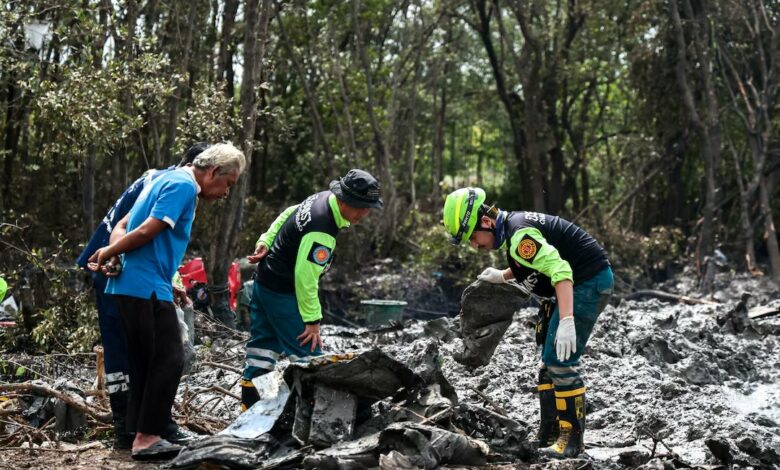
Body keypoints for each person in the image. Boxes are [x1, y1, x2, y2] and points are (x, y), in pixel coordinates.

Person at [88, 143, 246, 460]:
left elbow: (123, 225)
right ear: (214, 171)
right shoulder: (185, 186)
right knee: (169, 358)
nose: (226, 193)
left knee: (146, 362)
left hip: (134, 284)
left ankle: (138, 433)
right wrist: (109, 253)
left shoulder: (162, 178)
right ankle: (148, 438)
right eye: (227, 184)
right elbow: (147, 230)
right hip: (145, 286)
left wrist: (118, 256)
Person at [442, 187, 613, 459]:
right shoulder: (513, 230)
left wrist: (567, 319)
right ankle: (549, 434)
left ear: (486, 221)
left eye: (473, 237)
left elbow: (560, 271)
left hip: (586, 283)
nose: (475, 245)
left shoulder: (520, 234)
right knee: (548, 364)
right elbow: (533, 263)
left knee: (560, 361)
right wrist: (503, 276)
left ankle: (572, 443)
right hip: (568, 287)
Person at [75, 143, 208, 449]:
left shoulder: (166, 180)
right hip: (113, 267)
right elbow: (127, 228)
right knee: (136, 352)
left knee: (150, 353)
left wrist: (169, 279)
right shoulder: (173, 183)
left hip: (127, 265)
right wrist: (113, 256)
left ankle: (151, 427)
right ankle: (128, 427)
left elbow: (154, 243)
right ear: (196, 166)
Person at [240, 169, 383, 411]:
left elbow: (288, 213)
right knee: (310, 358)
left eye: (368, 207)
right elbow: (305, 278)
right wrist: (313, 320)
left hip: (264, 282)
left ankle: (251, 410)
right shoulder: (322, 230)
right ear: (344, 200)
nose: (364, 213)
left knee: (262, 350)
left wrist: (266, 239)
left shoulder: (321, 198)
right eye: (361, 206)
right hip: (283, 293)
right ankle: (314, 415)